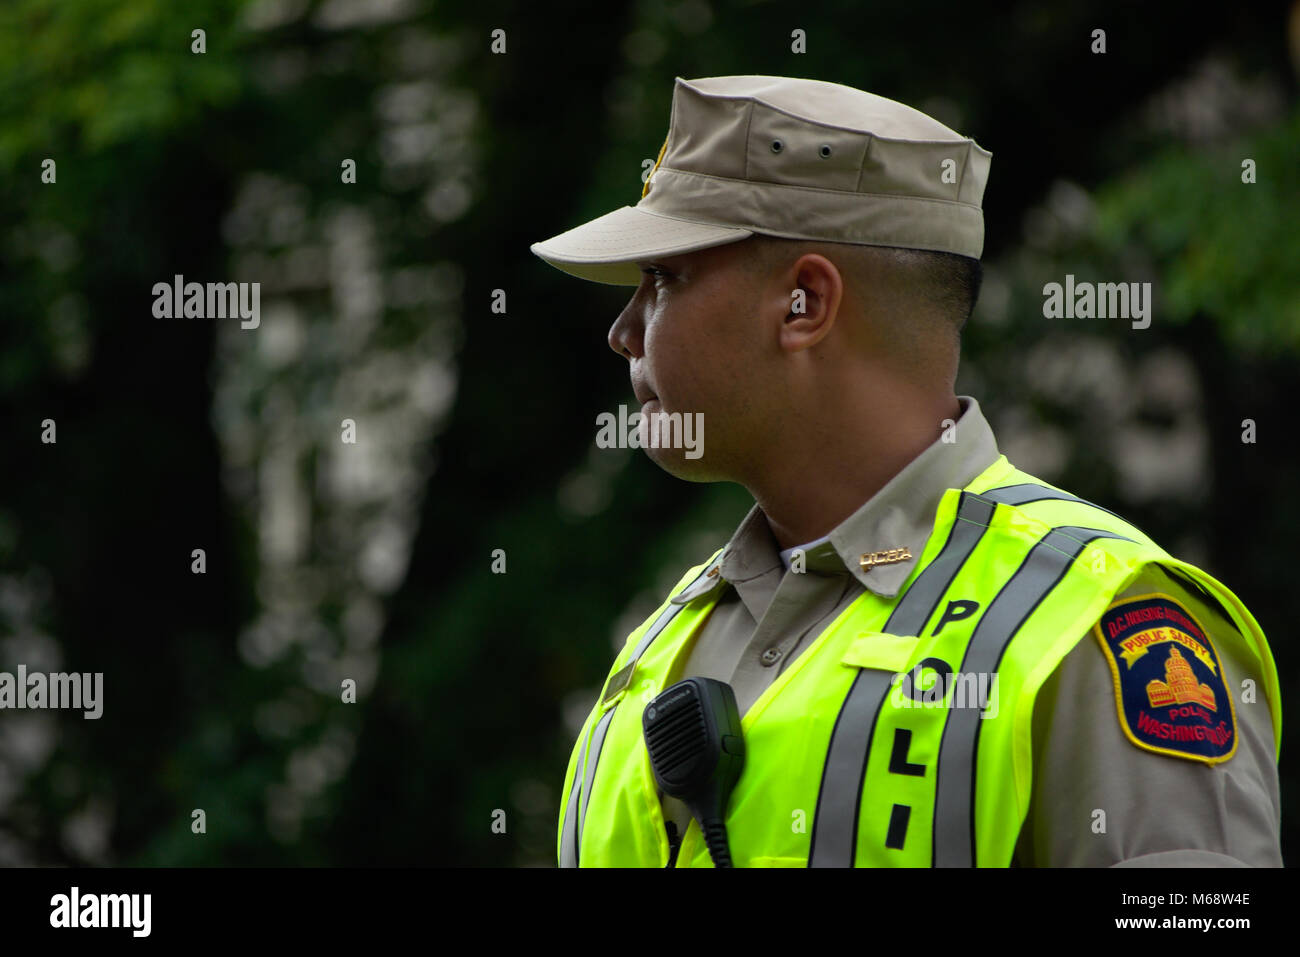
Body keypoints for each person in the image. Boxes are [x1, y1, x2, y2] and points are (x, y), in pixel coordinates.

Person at [530, 75, 1282, 867]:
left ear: (805, 304)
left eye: (665, 279)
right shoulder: (660, 643)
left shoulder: (1099, 620)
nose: (623, 331)